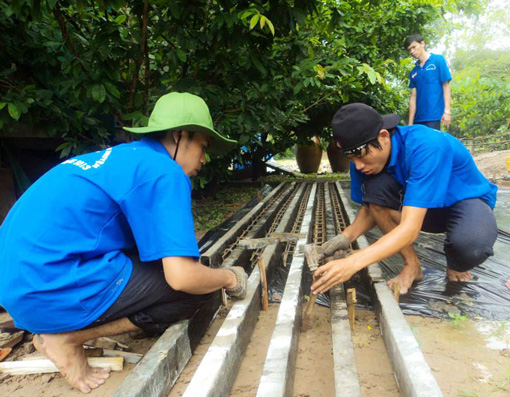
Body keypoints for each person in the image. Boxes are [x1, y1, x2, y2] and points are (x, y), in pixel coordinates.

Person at [0, 92, 248, 394]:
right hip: (47, 287)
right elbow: (182, 277)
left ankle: (60, 326)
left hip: (18, 288)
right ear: (179, 135)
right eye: (203, 146)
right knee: (197, 289)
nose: (204, 159)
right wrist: (230, 277)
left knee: (184, 272)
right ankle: (66, 339)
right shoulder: (164, 171)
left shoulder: (123, 158)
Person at [311, 103, 498, 296]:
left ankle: (456, 262)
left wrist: (354, 262)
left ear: (383, 136)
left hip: (465, 202)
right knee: (375, 188)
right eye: (351, 158)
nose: (358, 165)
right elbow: (372, 207)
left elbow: (410, 229)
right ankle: (412, 266)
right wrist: (346, 237)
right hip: (421, 208)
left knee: (470, 247)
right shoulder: (364, 161)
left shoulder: (426, 146)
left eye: (361, 155)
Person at [406, 33, 452, 130]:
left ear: (422, 44)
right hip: (418, 119)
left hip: (435, 116)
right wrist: (410, 123)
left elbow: (446, 86)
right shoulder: (414, 72)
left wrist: (447, 112)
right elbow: (413, 97)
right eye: (409, 49)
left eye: (414, 47)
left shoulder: (438, 60)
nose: (412, 51)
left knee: (434, 144)